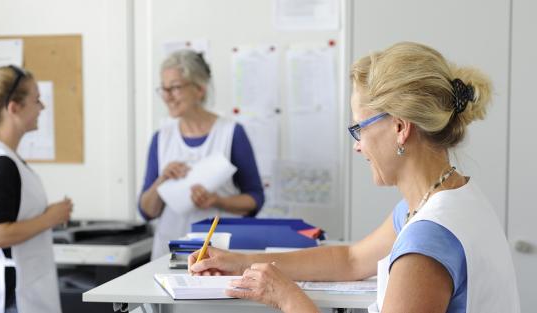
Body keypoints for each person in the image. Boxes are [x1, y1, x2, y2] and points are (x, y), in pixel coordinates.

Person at [188, 42, 520, 313]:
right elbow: (350, 259)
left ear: (400, 127)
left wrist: (288, 299)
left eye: (360, 128)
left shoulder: (427, 244)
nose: (358, 146)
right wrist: (240, 262)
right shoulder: (445, 198)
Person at [139, 50, 264, 260]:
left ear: (199, 89)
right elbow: (146, 212)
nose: (168, 96)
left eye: (176, 87)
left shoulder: (231, 133)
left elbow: (255, 199)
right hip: (169, 254)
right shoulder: (161, 138)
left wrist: (218, 201)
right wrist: (162, 180)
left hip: (220, 254)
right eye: (164, 88)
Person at [0, 66, 73, 313]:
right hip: (12, 299)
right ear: (14, 107)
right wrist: (50, 218)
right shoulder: (1, 163)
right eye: (36, 100)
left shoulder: (2, 158)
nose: (42, 108)